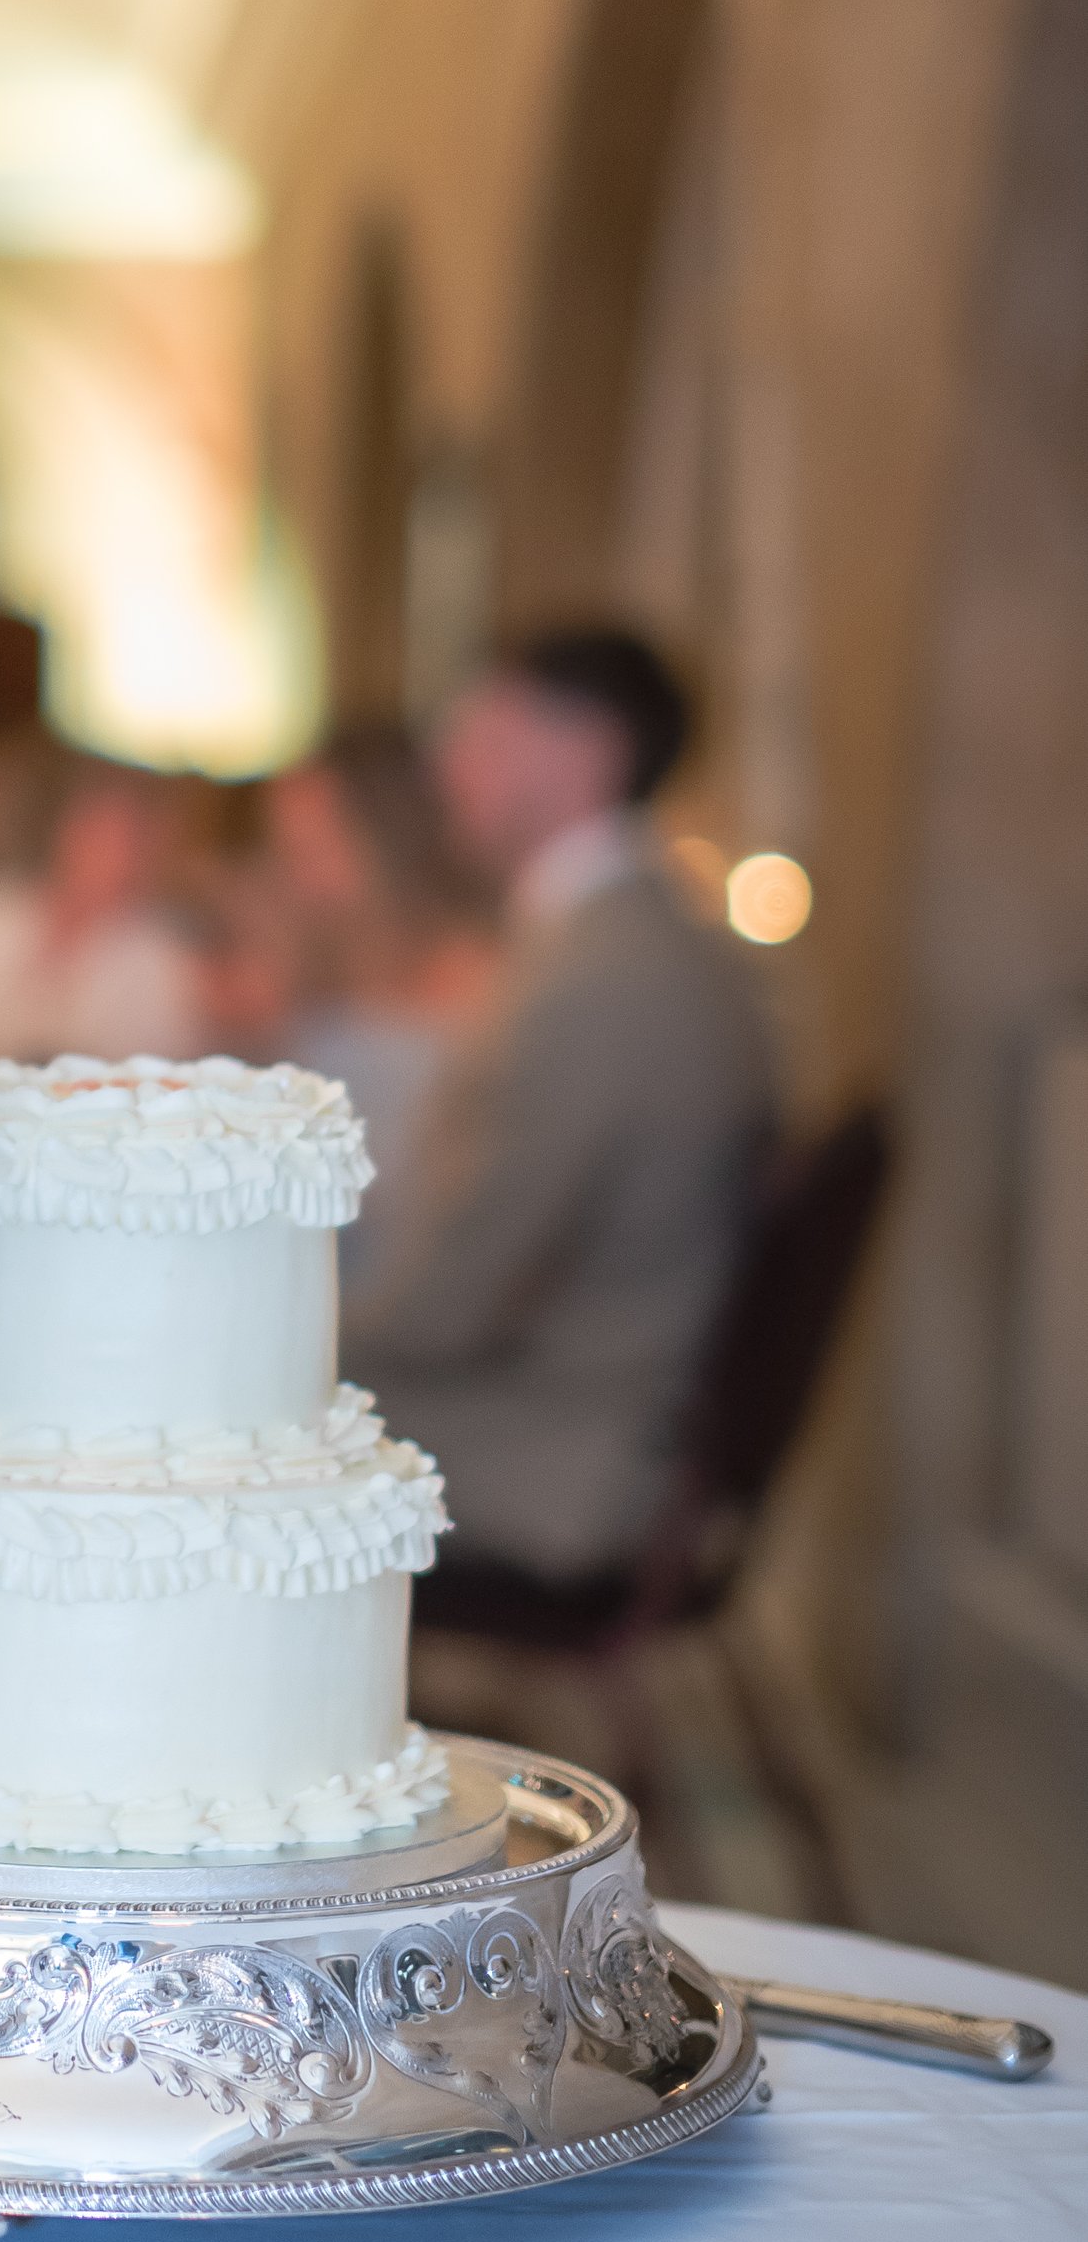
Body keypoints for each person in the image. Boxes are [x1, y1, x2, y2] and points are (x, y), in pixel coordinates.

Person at [345, 628, 774, 1586]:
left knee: (196, 1433)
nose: (446, 766)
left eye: (481, 735)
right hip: (587, 1411)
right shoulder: (626, 934)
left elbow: (462, 1288)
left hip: (558, 1455)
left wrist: (288, 1335)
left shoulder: (598, 977)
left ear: (585, 752)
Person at [267, 724, 498, 1306]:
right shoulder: (302, 965)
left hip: (426, 1291)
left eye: (319, 849)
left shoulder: (482, 982)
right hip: (317, 1273)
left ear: (391, 839)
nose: (300, 877)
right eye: (288, 850)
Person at [0, 757, 207, 1067]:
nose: (128, 857)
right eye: (109, 833)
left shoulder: (169, 958)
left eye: (143, 839)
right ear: (61, 829)